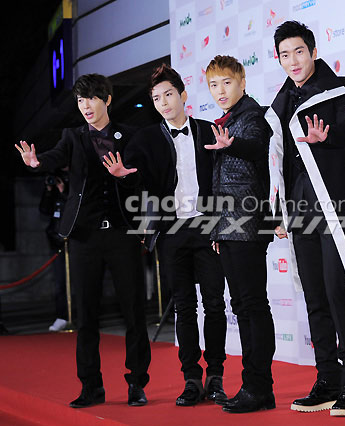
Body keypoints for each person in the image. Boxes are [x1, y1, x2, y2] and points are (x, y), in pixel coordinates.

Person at [15, 74, 151, 408]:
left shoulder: (130, 136)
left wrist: (124, 176)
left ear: (107, 100)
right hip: (84, 237)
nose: (85, 106)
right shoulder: (72, 137)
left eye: (91, 99)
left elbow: (141, 178)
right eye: (80, 100)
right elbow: (52, 157)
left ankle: (137, 383)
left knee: (134, 311)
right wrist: (36, 162)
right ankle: (91, 386)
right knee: (86, 314)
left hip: (122, 233)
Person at [103, 64, 228, 407]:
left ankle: (216, 377)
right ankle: (191, 379)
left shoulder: (209, 130)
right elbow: (135, 177)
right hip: (171, 231)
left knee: (215, 304)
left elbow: (223, 179)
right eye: (157, 98)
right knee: (184, 307)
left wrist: (221, 224)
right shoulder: (145, 138)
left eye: (169, 94)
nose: (163, 102)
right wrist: (123, 176)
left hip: (207, 227)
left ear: (183, 95)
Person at [265, 21, 345, 416]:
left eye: (298, 51)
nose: (292, 60)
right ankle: (327, 379)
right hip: (299, 208)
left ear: (312, 51)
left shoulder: (338, 87)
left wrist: (329, 137)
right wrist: (278, 211)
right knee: (314, 296)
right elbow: (276, 161)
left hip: (333, 203)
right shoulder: (279, 104)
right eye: (284, 54)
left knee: (337, 292)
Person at [205, 55, 275, 414]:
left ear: (242, 83)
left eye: (227, 83)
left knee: (252, 305)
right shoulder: (227, 120)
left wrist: (230, 144)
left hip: (248, 225)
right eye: (213, 85)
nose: (220, 91)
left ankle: (259, 386)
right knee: (242, 306)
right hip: (227, 227)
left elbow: (256, 148)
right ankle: (254, 386)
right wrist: (215, 227)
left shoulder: (252, 117)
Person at [39, 167, 69, 332]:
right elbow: (44, 209)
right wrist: (49, 191)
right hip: (56, 242)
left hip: (75, 240)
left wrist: (64, 191)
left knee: (81, 281)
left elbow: (76, 208)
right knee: (59, 282)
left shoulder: (73, 184)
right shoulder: (52, 190)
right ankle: (62, 316)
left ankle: (84, 315)